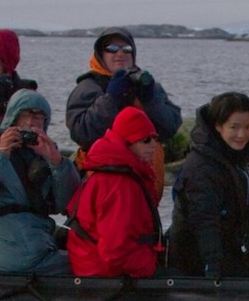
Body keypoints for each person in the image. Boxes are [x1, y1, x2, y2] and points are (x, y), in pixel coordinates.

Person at [0, 89, 81, 275]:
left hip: (34, 243)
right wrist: (0, 155)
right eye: (25, 115)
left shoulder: (41, 157)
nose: (30, 122)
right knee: (86, 267)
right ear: (12, 118)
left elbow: (64, 204)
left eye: (38, 117)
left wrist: (58, 164)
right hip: (6, 252)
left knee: (85, 254)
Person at [168, 92, 249, 279]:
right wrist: (213, 264)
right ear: (218, 126)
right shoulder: (202, 166)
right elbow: (203, 219)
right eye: (234, 128)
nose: (242, 134)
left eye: (248, 127)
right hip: (198, 252)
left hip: (236, 240)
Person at [64, 27, 182, 197]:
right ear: (100, 54)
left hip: (146, 184)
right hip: (104, 187)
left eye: (126, 49)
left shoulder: (147, 86)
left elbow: (169, 127)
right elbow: (82, 133)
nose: (120, 53)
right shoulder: (87, 88)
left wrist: (150, 100)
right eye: (111, 48)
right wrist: (111, 99)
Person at [66, 107, 163, 278]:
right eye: (146, 140)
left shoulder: (112, 172)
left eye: (155, 139)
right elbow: (115, 251)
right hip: (101, 270)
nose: (153, 146)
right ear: (127, 143)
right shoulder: (118, 184)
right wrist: (150, 267)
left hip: (90, 262)